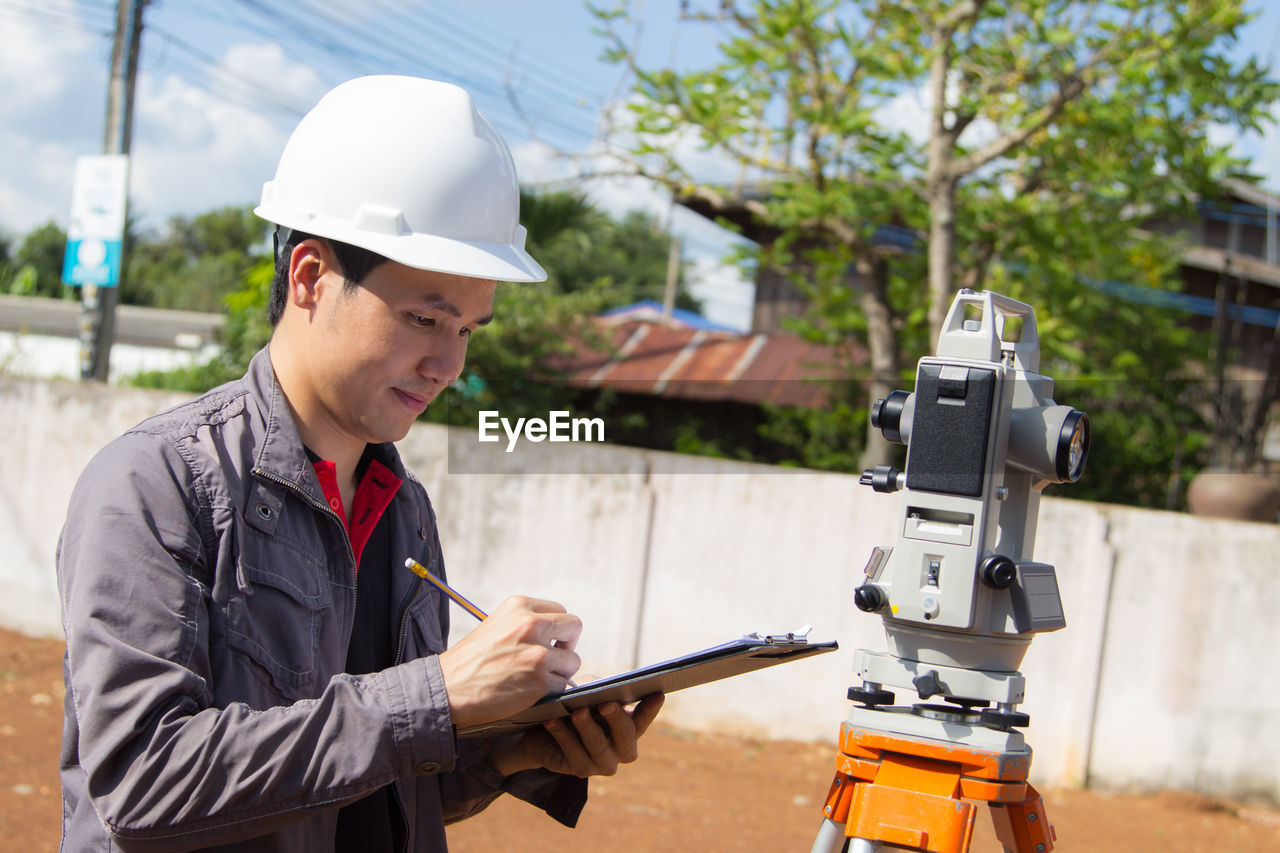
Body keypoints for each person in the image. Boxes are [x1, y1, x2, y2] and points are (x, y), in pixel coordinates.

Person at [56, 75, 664, 852]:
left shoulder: (401, 507)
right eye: (424, 318)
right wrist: (437, 695)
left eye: (469, 330)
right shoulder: (156, 484)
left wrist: (510, 747)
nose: (448, 362)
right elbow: (144, 781)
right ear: (311, 277)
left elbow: (366, 789)